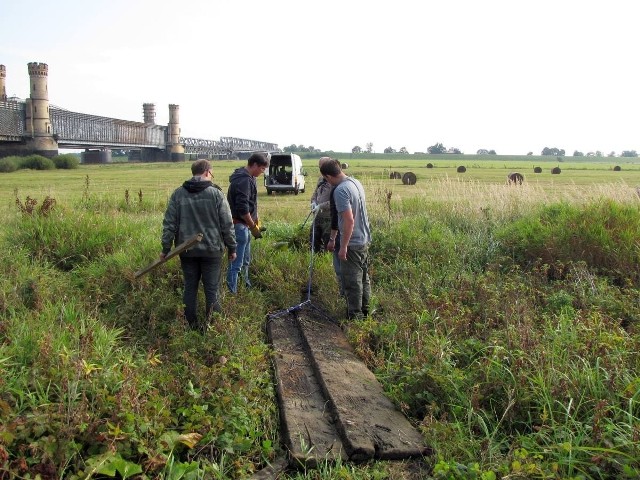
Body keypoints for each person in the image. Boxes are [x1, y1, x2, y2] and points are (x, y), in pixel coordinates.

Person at [161, 159, 237, 332]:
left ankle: (191, 327)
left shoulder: (178, 194)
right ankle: (213, 327)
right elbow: (227, 224)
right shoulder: (216, 194)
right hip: (212, 251)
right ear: (207, 172)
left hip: (186, 251)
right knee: (212, 290)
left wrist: (165, 249)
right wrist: (232, 247)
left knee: (190, 288)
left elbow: (169, 224)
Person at [321, 160, 372, 320]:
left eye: (326, 178)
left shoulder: (341, 190)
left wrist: (343, 247)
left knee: (352, 281)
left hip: (353, 242)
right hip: (364, 238)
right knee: (364, 278)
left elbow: (349, 220)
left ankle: (355, 317)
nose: (327, 182)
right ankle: (366, 311)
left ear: (328, 176)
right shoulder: (355, 183)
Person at [226, 152, 269, 294]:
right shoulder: (243, 180)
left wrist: (255, 221)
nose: (262, 172)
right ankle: (232, 293)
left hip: (246, 226)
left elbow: (251, 204)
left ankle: (246, 287)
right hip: (240, 226)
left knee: (245, 261)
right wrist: (253, 227)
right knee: (236, 263)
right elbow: (242, 208)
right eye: (262, 169)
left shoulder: (250, 178)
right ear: (255, 165)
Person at [309, 157, 334, 253]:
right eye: (320, 167)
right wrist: (313, 202)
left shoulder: (334, 180)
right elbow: (315, 193)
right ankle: (315, 259)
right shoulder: (321, 179)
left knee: (328, 242)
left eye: (323, 167)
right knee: (313, 240)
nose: (321, 169)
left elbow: (335, 202)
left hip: (329, 218)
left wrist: (321, 206)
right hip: (317, 216)